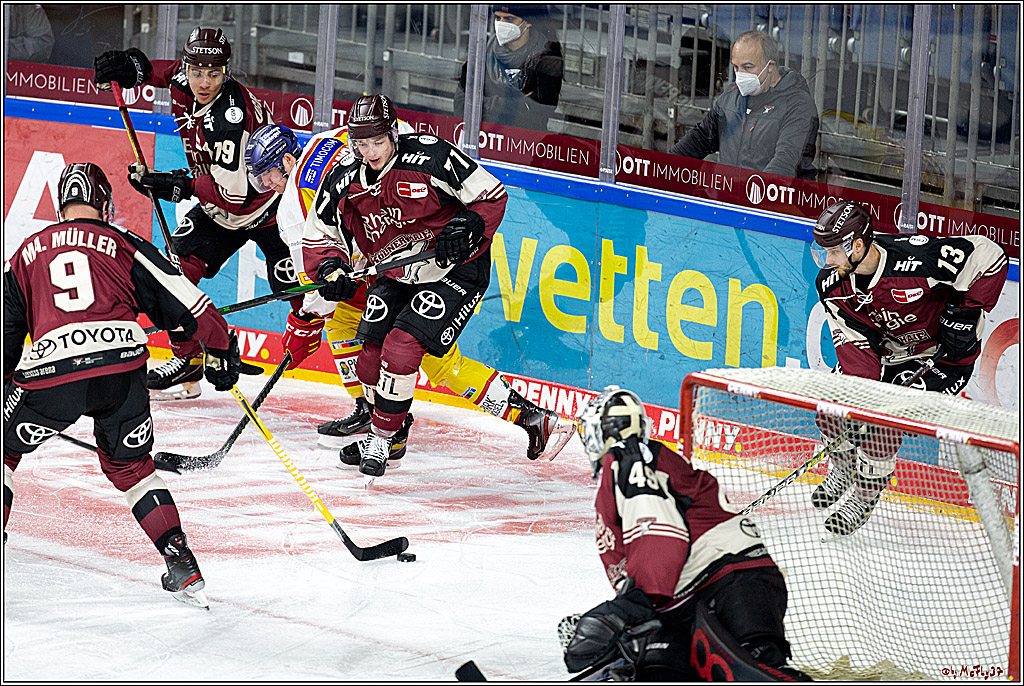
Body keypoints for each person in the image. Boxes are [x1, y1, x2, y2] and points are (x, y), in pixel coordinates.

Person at [3, 163, 259, 608]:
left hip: (52, 375)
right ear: (105, 204)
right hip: (123, 372)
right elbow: (187, 304)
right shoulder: (125, 243)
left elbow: (5, 331)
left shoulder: (26, 253)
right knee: (132, 470)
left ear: (62, 207)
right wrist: (218, 349)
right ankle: (180, 562)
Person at [244, 122, 573, 469]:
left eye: (267, 174)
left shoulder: (294, 207)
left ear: (286, 159)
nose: (266, 185)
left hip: (417, 267)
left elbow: (318, 282)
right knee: (370, 342)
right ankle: (381, 424)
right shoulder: (332, 138)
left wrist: (305, 321)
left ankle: (394, 428)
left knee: (412, 354)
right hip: (396, 263)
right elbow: (401, 134)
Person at [92, 27, 302, 401]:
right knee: (171, 279)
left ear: (227, 72)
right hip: (218, 212)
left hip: (269, 207)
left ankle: (366, 400)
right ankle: (188, 362)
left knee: (302, 295)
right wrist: (126, 65)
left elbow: (236, 196)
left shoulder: (230, 121)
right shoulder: (185, 76)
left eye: (214, 74)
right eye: (197, 71)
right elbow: (155, 72)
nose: (204, 82)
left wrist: (177, 186)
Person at [563, 386, 807, 681]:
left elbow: (660, 533)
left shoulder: (626, 462)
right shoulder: (644, 461)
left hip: (723, 584)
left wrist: (632, 605)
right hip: (720, 587)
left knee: (758, 672)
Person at [810, 199, 1008, 535]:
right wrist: (861, 397)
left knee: (885, 424)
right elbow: (854, 342)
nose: (827, 261)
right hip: (889, 353)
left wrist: (966, 313)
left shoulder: (918, 260)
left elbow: (992, 256)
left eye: (833, 252)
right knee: (831, 408)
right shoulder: (832, 286)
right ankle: (842, 467)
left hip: (942, 359)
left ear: (857, 245)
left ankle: (865, 494)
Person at [670, 31, 818, 180]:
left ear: (770, 66)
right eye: (736, 67)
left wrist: (755, 193)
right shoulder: (731, 96)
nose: (740, 75)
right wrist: (665, 166)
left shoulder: (798, 105)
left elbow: (787, 160)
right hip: (727, 196)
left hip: (774, 199)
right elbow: (701, 137)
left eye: (748, 67)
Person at [454, 5, 564, 133]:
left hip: (523, 143)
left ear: (528, 22)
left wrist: (484, 104)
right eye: (497, 18)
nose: (501, 24)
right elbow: (461, 104)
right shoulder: (481, 52)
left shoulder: (547, 58)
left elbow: (537, 111)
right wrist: (515, 103)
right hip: (485, 137)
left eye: (509, 19)